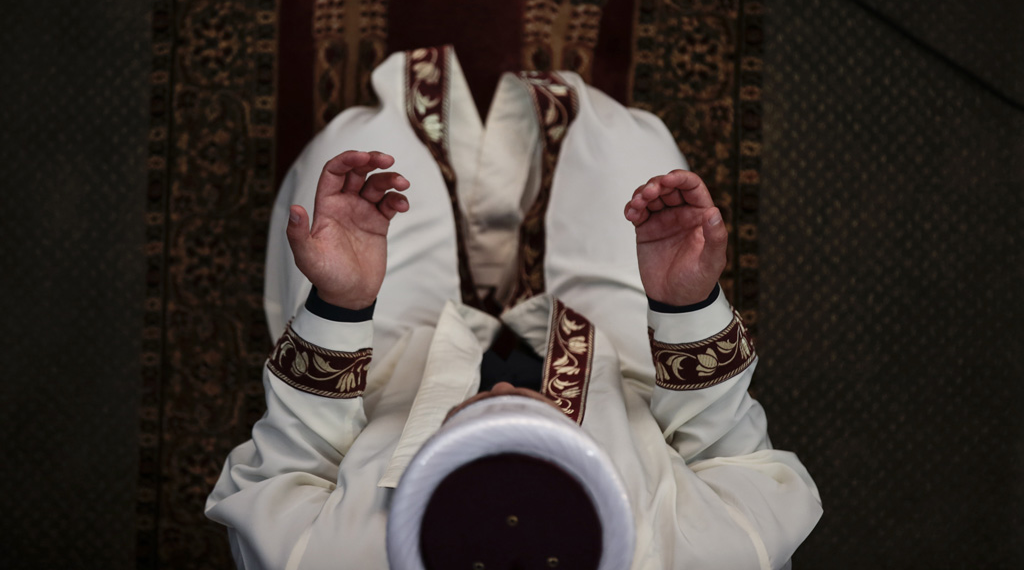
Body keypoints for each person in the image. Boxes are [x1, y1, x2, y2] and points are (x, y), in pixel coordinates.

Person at [206, 47, 822, 569]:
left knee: (364, 134)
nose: (500, 387)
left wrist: (341, 304)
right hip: (623, 366)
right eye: (525, 424)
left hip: (392, 373)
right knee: (620, 136)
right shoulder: (713, 557)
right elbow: (733, 457)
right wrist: (685, 305)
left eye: (475, 428)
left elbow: (287, 467)